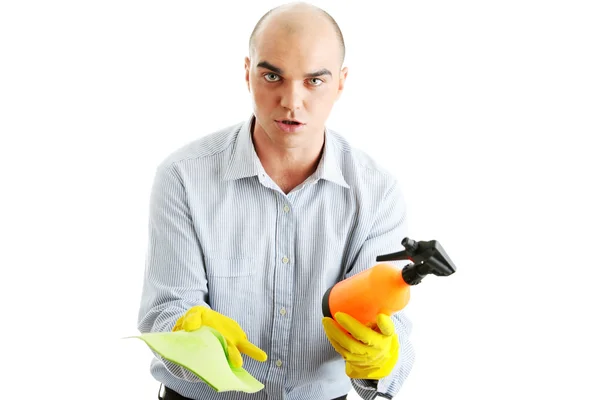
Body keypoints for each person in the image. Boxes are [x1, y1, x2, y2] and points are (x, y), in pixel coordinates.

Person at [137, 2, 415, 399]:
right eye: (272, 76)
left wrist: (382, 360)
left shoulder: (377, 193)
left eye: (314, 81)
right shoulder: (183, 177)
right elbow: (165, 309)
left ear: (340, 82)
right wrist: (188, 332)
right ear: (247, 74)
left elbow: (387, 327)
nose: (290, 100)